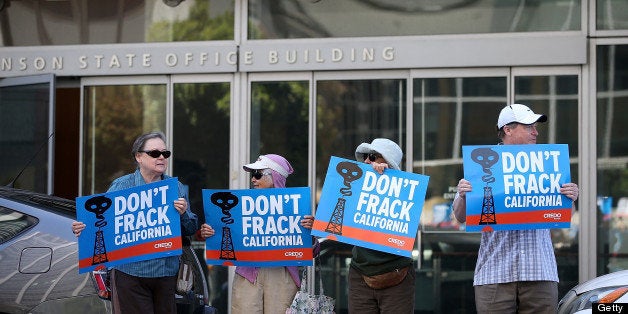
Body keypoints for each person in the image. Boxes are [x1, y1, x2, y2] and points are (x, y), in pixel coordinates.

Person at [452, 104, 580, 313]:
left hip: (539, 271)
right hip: (495, 274)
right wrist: (463, 194)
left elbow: (565, 216)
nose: (535, 132)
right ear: (507, 130)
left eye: (535, 127)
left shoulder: (548, 164)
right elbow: (460, 216)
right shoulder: (480, 165)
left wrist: (570, 198)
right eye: (529, 126)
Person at [72, 131, 198, 314]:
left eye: (165, 153)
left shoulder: (175, 187)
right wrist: (82, 228)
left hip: (166, 274)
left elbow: (191, 228)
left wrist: (184, 213)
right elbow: (102, 223)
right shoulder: (121, 186)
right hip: (130, 274)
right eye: (155, 153)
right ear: (138, 156)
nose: (161, 157)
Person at [198, 153, 316, 314]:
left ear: (275, 176)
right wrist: (209, 233)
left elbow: (313, 251)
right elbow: (223, 232)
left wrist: (311, 232)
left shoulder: (295, 207)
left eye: (258, 174)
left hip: (282, 274)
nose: (253, 179)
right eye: (253, 175)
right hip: (248, 273)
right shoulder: (241, 206)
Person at [347, 138, 415, 314]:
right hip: (359, 273)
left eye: (372, 157)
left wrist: (387, 180)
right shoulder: (355, 186)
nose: (366, 161)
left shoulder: (405, 191)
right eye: (365, 157)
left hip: (397, 274)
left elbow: (406, 226)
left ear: (388, 163)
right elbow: (338, 216)